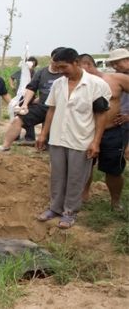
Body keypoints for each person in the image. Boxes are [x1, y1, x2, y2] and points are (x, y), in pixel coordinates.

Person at [35, 48, 111, 229]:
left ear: (76, 63)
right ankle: (54, 208)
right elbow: (51, 109)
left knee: (76, 177)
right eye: (57, 67)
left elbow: (101, 115)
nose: (61, 71)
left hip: (81, 139)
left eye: (64, 67)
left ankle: (70, 212)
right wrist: (43, 134)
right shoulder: (58, 84)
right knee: (57, 176)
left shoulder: (96, 85)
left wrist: (96, 142)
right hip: (58, 138)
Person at [78, 54, 129, 211]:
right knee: (84, 166)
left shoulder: (116, 79)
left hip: (111, 132)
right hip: (86, 131)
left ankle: (115, 201)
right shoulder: (77, 83)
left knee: (113, 169)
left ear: (87, 65)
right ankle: (83, 196)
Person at [0, 47, 65, 152]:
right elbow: (31, 88)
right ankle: (5, 146)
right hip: (42, 106)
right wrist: (25, 104)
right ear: (51, 59)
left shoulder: (65, 73)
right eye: (54, 60)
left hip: (60, 109)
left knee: (53, 134)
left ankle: (50, 151)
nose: (56, 64)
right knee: (18, 119)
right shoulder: (42, 72)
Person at [106, 48, 129, 160]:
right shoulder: (115, 77)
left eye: (117, 63)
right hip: (120, 122)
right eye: (113, 64)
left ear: (127, 60)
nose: (115, 66)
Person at [9, 56, 38, 142]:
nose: (30, 67)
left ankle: (30, 137)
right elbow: (11, 77)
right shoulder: (21, 72)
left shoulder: (35, 74)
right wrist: (12, 85)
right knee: (16, 116)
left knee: (28, 116)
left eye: (32, 65)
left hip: (29, 98)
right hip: (18, 98)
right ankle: (16, 136)